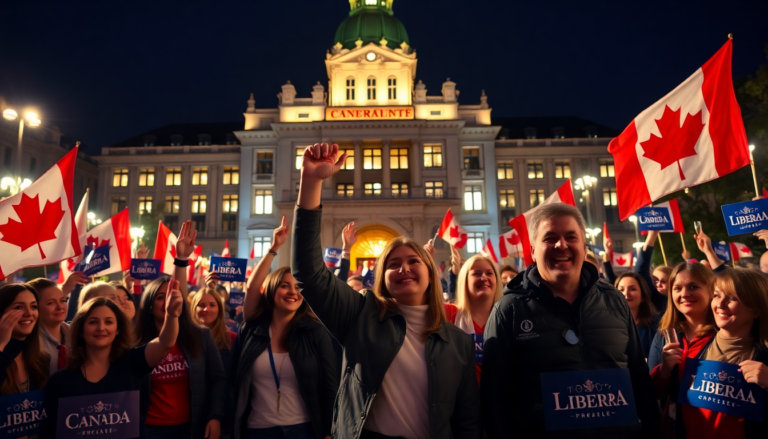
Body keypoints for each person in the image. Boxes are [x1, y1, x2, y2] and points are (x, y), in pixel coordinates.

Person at [292, 143, 481, 439]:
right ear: (382, 277)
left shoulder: (458, 344)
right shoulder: (360, 317)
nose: (404, 268)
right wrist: (311, 181)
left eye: (413, 261)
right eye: (393, 264)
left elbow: (468, 421)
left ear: (431, 273)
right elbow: (308, 273)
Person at [482, 203, 659, 438]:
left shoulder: (614, 301)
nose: (561, 245)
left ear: (584, 247)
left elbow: (639, 378)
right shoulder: (508, 310)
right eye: (550, 238)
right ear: (533, 250)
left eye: (571, 237)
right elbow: (494, 399)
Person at [234, 216, 339, 439]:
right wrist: (274, 248)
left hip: (304, 430)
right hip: (257, 430)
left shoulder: (315, 332)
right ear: (272, 290)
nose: (293, 292)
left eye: (298, 287)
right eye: (285, 286)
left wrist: (330, 431)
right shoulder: (252, 329)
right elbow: (252, 287)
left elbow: (331, 386)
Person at [41, 283, 183, 438]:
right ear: (81, 330)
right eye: (93, 322)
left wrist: (172, 315)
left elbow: (165, 343)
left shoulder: (133, 362)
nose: (101, 328)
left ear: (118, 330)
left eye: (108, 322)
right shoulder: (60, 381)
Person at [676, 268, 768, 438]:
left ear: (755, 310)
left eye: (732, 298)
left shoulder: (765, 357)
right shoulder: (694, 346)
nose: (720, 304)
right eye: (717, 295)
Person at [135, 276, 227, 439]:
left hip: (194, 427)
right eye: (160, 297)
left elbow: (218, 380)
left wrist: (216, 417)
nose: (168, 301)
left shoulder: (201, 336)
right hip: (150, 429)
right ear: (149, 306)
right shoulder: (136, 343)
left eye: (172, 294)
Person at [648, 262, 716, 438]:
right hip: (675, 428)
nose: (685, 294)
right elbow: (654, 392)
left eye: (693, 286)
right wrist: (664, 370)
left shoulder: (725, 335)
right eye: (677, 288)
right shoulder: (665, 334)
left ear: (710, 290)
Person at [445, 254, 502, 383]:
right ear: (464, 280)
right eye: (476, 274)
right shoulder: (449, 314)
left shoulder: (508, 317)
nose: (484, 278)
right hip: (461, 399)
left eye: (489, 273)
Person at [28, 273, 88, 374]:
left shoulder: (78, 334)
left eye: (63, 300)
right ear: (34, 307)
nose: (60, 307)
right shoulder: (31, 342)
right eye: (51, 303)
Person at [0, 283, 49, 395]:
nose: (29, 313)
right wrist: (1, 344)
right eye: (18, 307)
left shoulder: (41, 358)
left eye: (34, 307)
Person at [189, 288, 236, 372]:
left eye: (212, 305)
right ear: (194, 308)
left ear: (219, 309)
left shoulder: (232, 338)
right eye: (201, 305)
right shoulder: (185, 338)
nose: (207, 309)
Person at [615, 272, 658, 358]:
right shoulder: (606, 324)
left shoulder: (657, 324)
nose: (626, 294)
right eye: (621, 290)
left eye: (632, 289)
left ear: (643, 295)